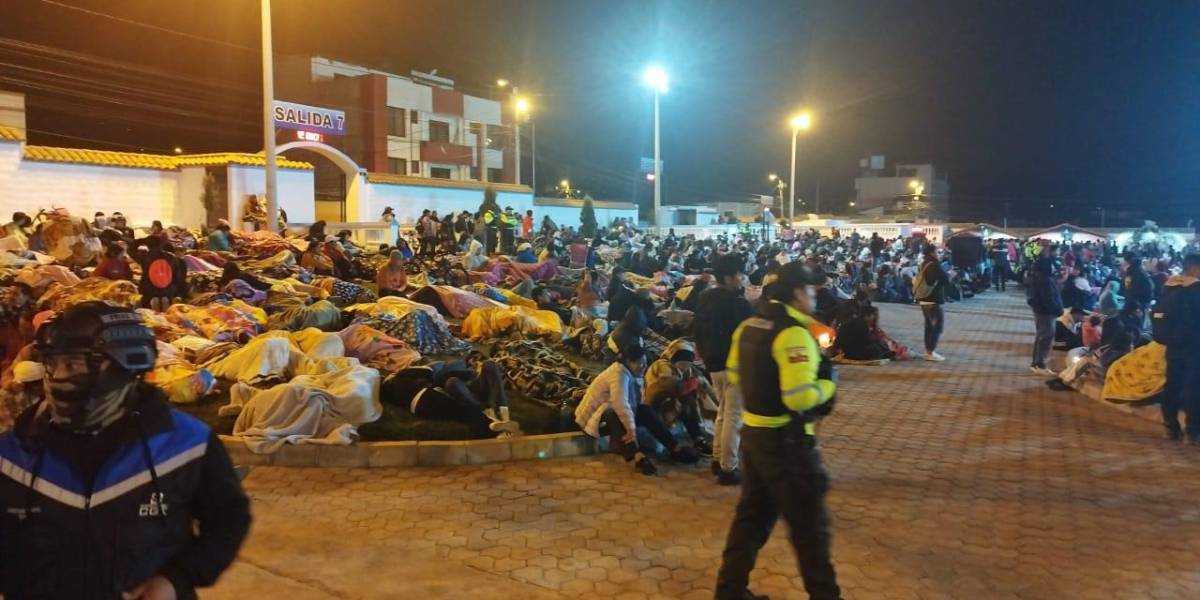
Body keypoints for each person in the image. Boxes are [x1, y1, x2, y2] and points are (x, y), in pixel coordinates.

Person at [0, 302, 251, 598]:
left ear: (122, 364)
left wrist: (175, 579)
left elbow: (228, 521)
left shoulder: (186, 446)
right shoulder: (15, 454)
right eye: (53, 365)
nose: (57, 378)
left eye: (73, 364)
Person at [715, 261, 841, 600]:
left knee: (750, 522)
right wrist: (827, 387)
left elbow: (735, 375)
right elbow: (799, 398)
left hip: (754, 439)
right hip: (787, 446)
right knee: (810, 531)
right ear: (798, 293)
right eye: (812, 290)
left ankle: (729, 591)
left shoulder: (749, 326)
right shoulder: (794, 334)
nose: (814, 297)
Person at [574, 344, 700, 476]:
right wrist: (631, 430)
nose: (644, 366)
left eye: (645, 363)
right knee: (614, 413)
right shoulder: (618, 375)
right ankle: (637, 456)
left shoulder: (630, 372)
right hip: (592, 420)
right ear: (629, 361)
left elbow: (635, 403)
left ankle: (674, 447)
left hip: (609, 411)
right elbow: (621, 404)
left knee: (644, 410)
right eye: (641, 363)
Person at [693, 254, 753, 485]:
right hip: (733, 366)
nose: (742, 278)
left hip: (713, 365)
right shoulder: (737, 304)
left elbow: (696, 331)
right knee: (734, 416)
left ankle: (718, 459)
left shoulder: (705, 298)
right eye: (739, 274)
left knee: (723, 413)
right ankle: (729, 467)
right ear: (728, 278)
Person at [380, 360, 520, 438]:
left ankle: (496, 421)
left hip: (421, 403)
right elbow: (430, 372)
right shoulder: (402, 374)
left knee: (461, 412)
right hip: (427, 395)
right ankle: (494, 425)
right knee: (463, 411)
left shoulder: (389, 391)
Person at [1153, 253, 1200, 443]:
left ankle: (1171, 426)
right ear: (1195, 267)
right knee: (1193, 388)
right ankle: (1193, 431)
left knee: (1172, 385)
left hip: (1173, 345)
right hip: (1194, 346)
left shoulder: (1170, 286)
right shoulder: (1196, 289)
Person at [643, 339, 714, 456]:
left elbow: (702, 382)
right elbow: (665, 387)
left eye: (687, 364)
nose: (684, 368)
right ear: (673, 359)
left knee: (694, 396)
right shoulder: (661, 366)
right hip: (655, 405)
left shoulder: (687, 369)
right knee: (686, 401)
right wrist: (689, 386)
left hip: (675, 400)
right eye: (682, 364)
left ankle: (698, 439)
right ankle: (690, 440)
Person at [1027, 256, 1064, 376]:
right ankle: (1039, 364)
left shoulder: (1038, 278)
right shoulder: (1044, 281)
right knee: (1045, 337)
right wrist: (1058, 310)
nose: (1053, 267)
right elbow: (1048, 300)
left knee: (1041, 336)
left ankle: (1037, 363)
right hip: (1046, 313)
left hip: (1042, 312)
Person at [914, 245, 949, 361]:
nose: (938, 254)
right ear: (932, 253)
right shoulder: (934, 265)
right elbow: (945, 280)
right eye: (937, 252)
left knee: (929, 326)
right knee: (937, 326)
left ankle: (928, 351)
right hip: (932, 299)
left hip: (923, 299)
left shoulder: (924, 264)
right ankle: (930, 351)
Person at [138, 237, 188, 311]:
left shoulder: (145, 257)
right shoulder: (172, 257)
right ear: (162, 245)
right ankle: (165, 302)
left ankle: (154, 302)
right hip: (168, 289)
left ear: (148, 246)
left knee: (145, 297)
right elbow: (177, 278)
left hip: (150, 289)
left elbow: (144, 276)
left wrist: (141, 240)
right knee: (169, 293)